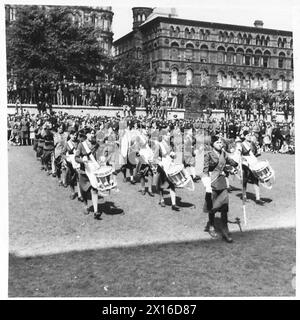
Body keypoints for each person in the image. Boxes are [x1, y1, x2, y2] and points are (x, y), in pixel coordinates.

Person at [202, 135, 238, 243]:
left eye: (221, 142)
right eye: (217, 142)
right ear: (212, 144)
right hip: (212, 183)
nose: (220, 144)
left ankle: (225, 230)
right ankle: (211, 226)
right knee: (212, 207)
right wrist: (207, 185)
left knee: (224, 207)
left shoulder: (224, 153)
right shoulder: (208, 154)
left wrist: (235, 164)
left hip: (222, 183)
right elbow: (204, 170)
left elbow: (231, 162)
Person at [75, 127, 102, 219]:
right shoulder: (81, 145)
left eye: (94, 133)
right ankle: (86, 205)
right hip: (84, 170)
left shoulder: (96, 144)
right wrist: (82, 160)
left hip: (93, 170)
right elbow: (76, 157)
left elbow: (99, 155)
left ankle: (96, 211)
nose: (93, 135)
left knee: (94, 189)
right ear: (86, 135)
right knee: (84, 191)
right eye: (91, 133)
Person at [240, 130, 264, 205]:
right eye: (247, 135)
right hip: (245, 165)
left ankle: (258, 198)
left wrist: (258, 153)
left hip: (253, 164)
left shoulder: (253, 144)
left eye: (250, 135)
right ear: (244, 136)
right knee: (245, 181)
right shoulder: (241, 144)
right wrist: (243, 159)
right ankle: (244, 196)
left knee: (256, 180)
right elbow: (239, 155)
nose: (249, 136)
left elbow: (255, 154)